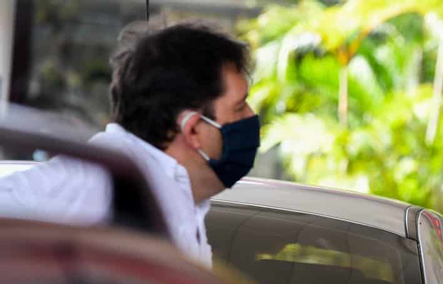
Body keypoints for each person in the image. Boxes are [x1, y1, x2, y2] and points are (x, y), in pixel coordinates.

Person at [0, 19, 259, 267]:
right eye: (239, 107)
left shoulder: (170, 193)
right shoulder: (97, 183)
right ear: (192, 130)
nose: (251, 116)